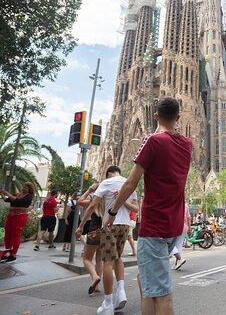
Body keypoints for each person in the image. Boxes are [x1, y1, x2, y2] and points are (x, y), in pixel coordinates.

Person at [103, 96, 192, 315]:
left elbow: (130, 183)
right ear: (178, 117)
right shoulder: (187, 144)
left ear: (156, 116)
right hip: (174, 224)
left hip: (154, 226)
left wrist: (112, 211)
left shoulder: (153, 141)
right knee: (146, 283)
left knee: (161, 292)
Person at [76, 165, 138, 315]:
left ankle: (108, 303)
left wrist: (81, 226)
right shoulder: (130, 182)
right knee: (118, 259)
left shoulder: (106, 183)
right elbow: (136, 209)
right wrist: (122, 200)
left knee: (107, 262)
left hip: (110, 225)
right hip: (125, 226)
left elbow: (91, 207)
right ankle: (121, 292)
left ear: (109, 173)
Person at [77, 183, 103, 295]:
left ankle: (94, 277)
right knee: (99, 260)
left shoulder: (94, 200)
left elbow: (79, 201)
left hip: (93, 232)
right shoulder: (108, 200)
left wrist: (89, 190)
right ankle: (96, 287)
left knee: (87, 259)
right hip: (104, 232)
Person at [0, 183, 35, 263]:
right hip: (11, 216)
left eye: (26, 188)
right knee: (8, 234)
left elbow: (19, 202)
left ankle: (13, 255)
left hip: (20, 216)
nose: (24, 188)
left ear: (30, 190)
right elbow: (7, 199)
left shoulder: (29, 197)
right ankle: (8, 252)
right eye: (24, 187)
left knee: (16, 235)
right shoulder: (18, 194)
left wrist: (6, 193)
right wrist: (2, 194)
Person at [171, 203, 191, 270]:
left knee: (169, 244)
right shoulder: (185, 205)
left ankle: (180, 259)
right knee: (178, 246)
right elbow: (188, 218)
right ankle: (177, 263)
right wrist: (190, 228)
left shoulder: (174, 203)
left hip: (176, 227)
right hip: (184, 228)